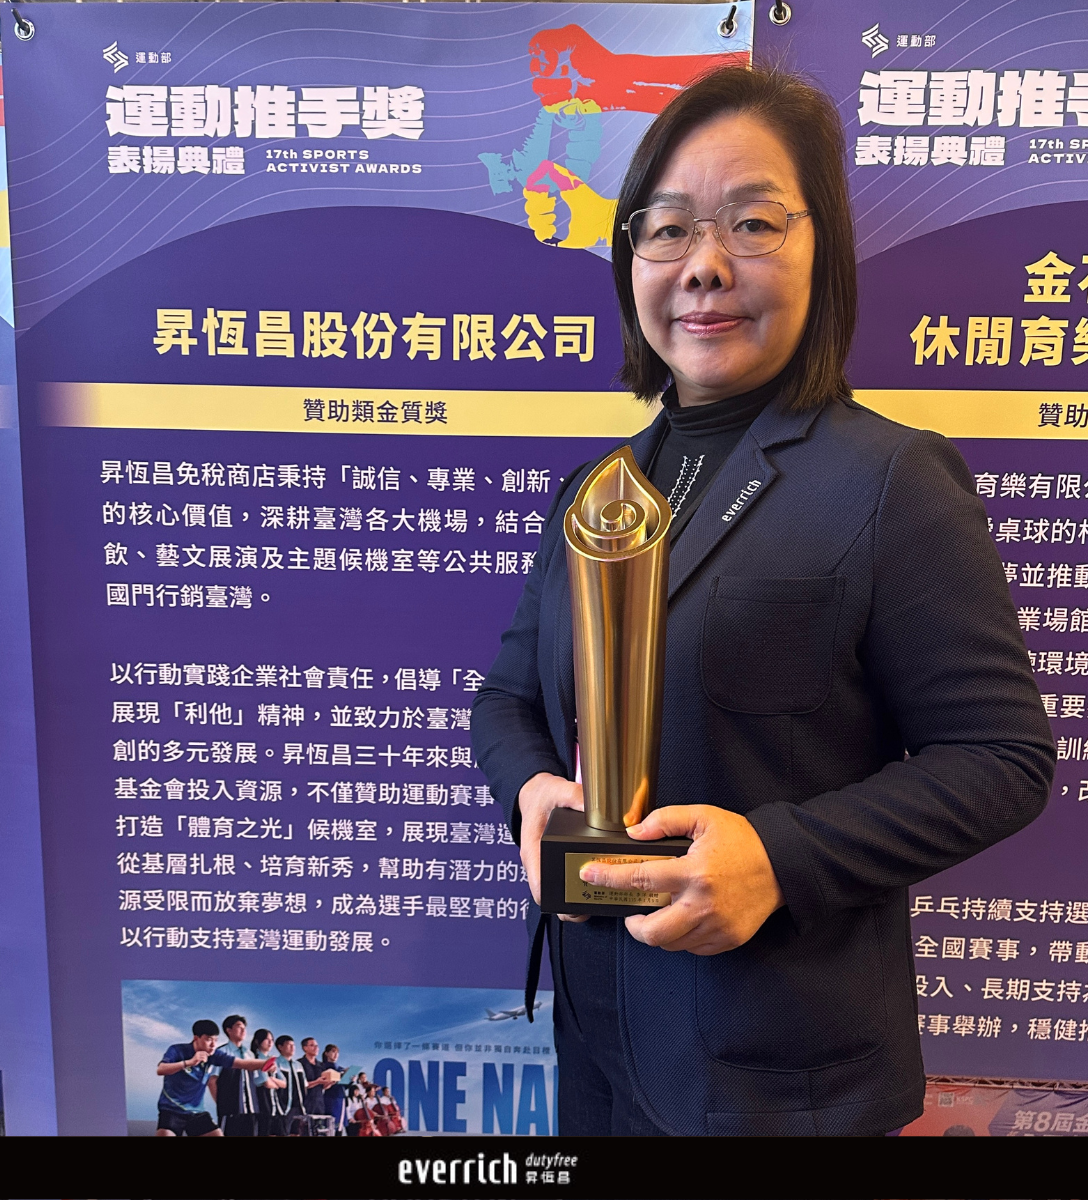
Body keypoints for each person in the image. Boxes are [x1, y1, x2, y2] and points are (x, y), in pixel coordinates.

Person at [470, 63, 1055, 1137]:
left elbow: (1003, 759)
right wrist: (534, 795)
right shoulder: (599, 491)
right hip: (598, 1050)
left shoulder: (890, 479)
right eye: (667, 229)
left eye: (751, 222)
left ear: (821, 248)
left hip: (781, 1079)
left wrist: (779, 858)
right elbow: (505, 698)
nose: (703, 265)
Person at [154, 1019, 267, 1137]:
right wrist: (190, 1062)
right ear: (196, 1038)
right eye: (208, 1040)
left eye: (215, 1040)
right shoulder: (177, 1050)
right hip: (172, 1110)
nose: (213, 1045)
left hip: (196, 1112)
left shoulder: (214, 1055)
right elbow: (161, 1069)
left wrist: (265, 1063)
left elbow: (241, 1063)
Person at [208, 1013, 270, 1137]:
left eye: (244, 1027)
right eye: (239, 1026)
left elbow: (257, 1080)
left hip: (251, 1110)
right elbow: (212, 1081)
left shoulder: (250, 1054)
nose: (243, 1030)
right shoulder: (221, 1052)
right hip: (230, 1111)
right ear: (229, 1030)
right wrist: (222, 1103)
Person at [298, 1036, 341, 1131]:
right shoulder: (299, 1064)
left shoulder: (321, 1065)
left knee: (319, 1131)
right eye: (312, 1045)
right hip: (305, 1103)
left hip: (319, 1103)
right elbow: (301, 1085)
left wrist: (330, 1083)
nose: (316, 1048)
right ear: (305, 1048)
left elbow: (323, 1087)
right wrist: (317, 1081)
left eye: (317, 1046)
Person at [271, 1035, 310, 1135]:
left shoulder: (298, 1065)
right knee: (282, 1132)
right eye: (289, 1045)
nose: (293, 1047)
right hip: (284, 1106)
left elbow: (305, 1085)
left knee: (296, 1133)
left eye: (294, 1045)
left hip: (299, 1106)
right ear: (280, 1047)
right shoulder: (275, 1063)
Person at [248, 1028, 283, 1137]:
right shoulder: (255, 1058)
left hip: (274, 1104)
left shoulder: (273, 1060)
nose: (270, 1042)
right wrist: (274, 1082)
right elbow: (266, 1083)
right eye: (267, 1039)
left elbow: (284, 1083)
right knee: (263, 1130)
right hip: (261, 1101)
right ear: (258, 1041)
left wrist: (273, 1080)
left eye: (272, 1040)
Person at [320, 1043, 348, 1134]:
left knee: (339, 1128)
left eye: (337, 1052)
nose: (336, 1054)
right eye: (333, 1052)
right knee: (329, 1126)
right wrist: (340, 1076)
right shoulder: (322, 1067)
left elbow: (343, 1087)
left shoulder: (340, 1068)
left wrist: (350, 1079)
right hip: (329, 1098)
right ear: (326, 1053)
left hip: (340, 1099)